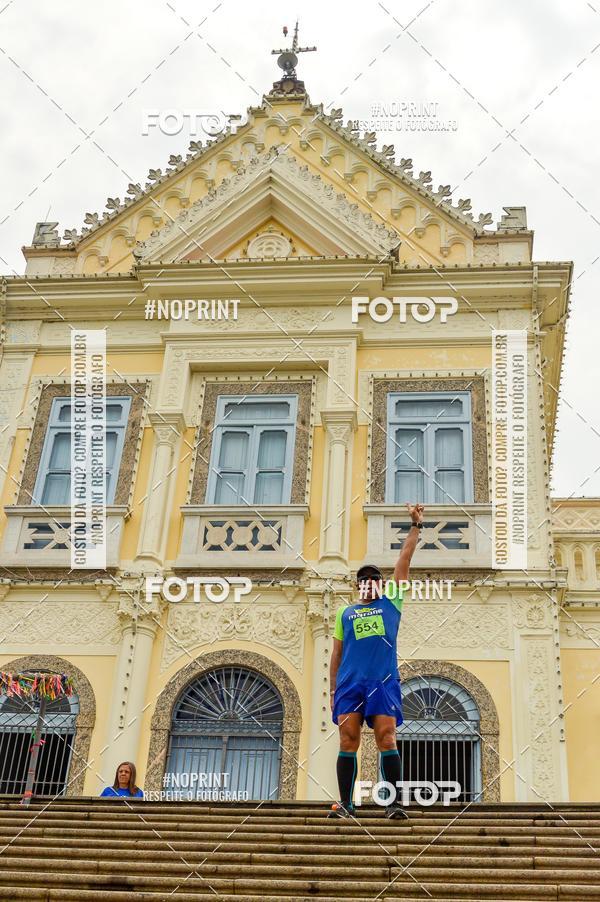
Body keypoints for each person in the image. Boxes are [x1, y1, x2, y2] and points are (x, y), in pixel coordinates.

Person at [328, 502, 424, 819]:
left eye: (374, 578)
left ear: (381, 584)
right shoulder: (345, 613)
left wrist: (415, 526)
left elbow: (404, 560)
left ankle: (393, 803)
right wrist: (332, 690)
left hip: (382, 683)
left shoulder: (392, 602)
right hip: (349, 685)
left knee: (386, 737)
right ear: (358, 585)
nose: (368, 581)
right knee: (348, 739)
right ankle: (346, 804)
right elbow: (337, 654)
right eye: (363, 579)